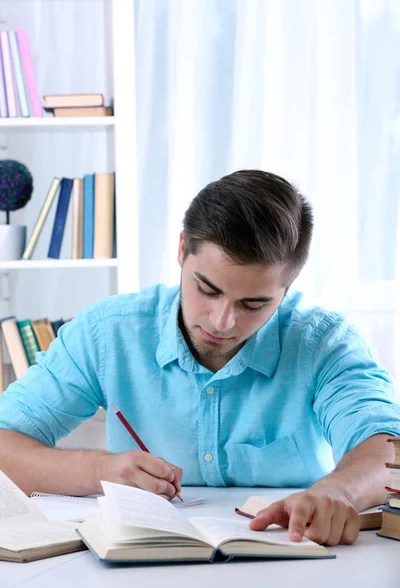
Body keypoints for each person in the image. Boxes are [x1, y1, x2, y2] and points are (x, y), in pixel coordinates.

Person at [0, 170, 399, 547]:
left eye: (254, 304)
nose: (223, 322)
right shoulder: (108, 332)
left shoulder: (323, 342)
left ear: (287, 287)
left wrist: (337, 491)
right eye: (207, 290)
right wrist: (99, 471)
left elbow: (387, 447)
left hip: (292, 558)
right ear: (181, 250)